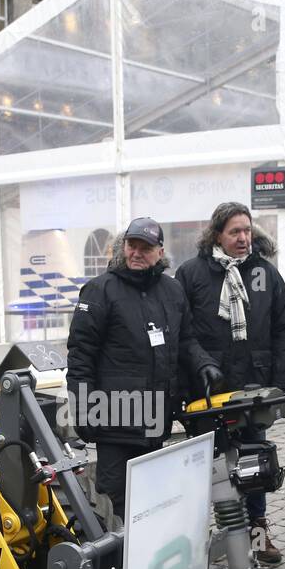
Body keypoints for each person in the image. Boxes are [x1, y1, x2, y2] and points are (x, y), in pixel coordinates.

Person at [65, 217, 222, 522]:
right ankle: (114, 566)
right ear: (122, 247)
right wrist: (83, 414)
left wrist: (204, 363)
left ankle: (148, 565)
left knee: (151, 503)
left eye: (145, 248)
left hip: (155, 424)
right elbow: (80, 357)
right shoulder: (100, 291)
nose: (136, 253)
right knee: (115, 508)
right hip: (114, 424)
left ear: (160, 252)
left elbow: (186, 339)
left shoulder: (172, 290)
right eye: (131, 245)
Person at [175, 202, 285, 564]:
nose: (244, 238)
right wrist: (201, 367)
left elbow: (284, 328)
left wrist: (281, 383)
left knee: (254, 463)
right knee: (207, 465)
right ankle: (210, 536)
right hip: (208, 390)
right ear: (217, 235)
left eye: (247, 230)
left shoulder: (264, 273)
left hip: (254, 388)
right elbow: (183, 332)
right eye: (235, 232)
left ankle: (258, 536)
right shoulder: (192, 274)